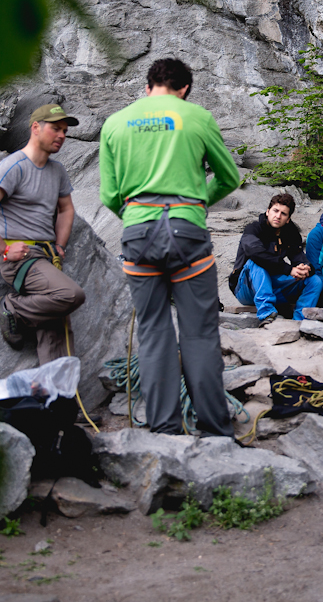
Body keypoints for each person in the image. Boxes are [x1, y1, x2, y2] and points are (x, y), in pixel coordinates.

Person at [99, 58, 241, 437]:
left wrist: (135, 216)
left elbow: (109, 194)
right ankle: (215, 429)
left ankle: (164, 428)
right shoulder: (197, 117)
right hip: (186, 232)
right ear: (185, 90)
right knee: (199, 333)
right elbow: (229, 177)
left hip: (138, 233)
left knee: (152, 330)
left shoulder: (115, 123)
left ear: (148, 88)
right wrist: (195, 205)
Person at [0, 103, 86, 363]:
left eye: (65, 131)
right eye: (55, 129)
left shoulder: (57, 171)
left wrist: (60, 244)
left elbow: (66, 209)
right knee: (70, 295)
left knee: (56, 333)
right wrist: (4, 249)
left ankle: (56, 386)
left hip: (46, 257)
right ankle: (14, 308)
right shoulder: (14, 166)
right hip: (22, 258)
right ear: (35, 127)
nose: (62, 135)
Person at [228, 193, 322, 323]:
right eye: (275, 211)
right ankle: (267, 314)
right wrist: (289, 269)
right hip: (246, 288)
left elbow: (298, 255)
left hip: (274, 286)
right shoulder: (253, 229)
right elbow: (255, 253)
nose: (278, 216)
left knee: (315, 281)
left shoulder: (290, 232)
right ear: (268, 212)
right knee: (255, 262)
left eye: (283, 213)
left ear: (288, 219)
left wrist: (305, 268)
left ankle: (299, 321)